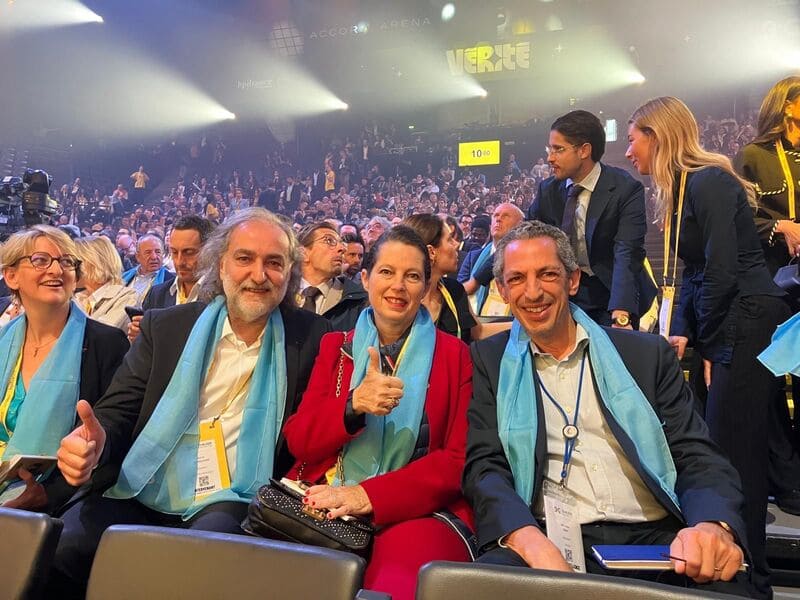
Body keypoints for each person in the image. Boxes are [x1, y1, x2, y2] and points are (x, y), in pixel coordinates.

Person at [463, 221, 756, 598]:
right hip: (547, 536)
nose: (533, 292)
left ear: (572, 280)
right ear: (503, 290)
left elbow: (696, 455)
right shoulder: (490, 360)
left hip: (657, 541)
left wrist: (711, 526)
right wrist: (526, 538)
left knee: (725, 583)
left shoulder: (645, 355)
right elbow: (485, 466)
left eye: (547, 274)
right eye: (517, 279)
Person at [49, 208, 330, 596]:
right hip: (143, 482)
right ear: (220, 264)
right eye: (245, 258)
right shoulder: (167, 326)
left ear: (290, 272)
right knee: (64, 546)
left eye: (274, 263)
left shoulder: (312, 337)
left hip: (233, 494)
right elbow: (119, 410)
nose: (259, 275)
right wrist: (96, 442)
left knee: (196, 563)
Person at [627, 96, 791, 597]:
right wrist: (686, 332)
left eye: (633, 140)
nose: (629, 152)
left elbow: (721, 270)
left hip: (745, 320)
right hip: (729, 322)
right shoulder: (684, 189)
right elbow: (697, 273)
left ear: (658, 135)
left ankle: (752, 580)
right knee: (728, 448)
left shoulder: (710, 182)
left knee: (735, 455)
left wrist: (710, 345)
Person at [282, 226, 474, 600]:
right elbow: (300, 441)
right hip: (328, 497)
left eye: (412, 276)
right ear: (366, 279)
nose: (398, 286)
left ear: (426, 286)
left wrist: (367, 495)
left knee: (396, 584)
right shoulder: (336, 347)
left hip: (420, 509)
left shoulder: (455, 356)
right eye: (387, 272)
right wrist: (352, 406)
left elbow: (457, 460)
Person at [0, 225, 128, 514]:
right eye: (40, 260)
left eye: (66, 261)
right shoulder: (3, 340)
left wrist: (46, 495)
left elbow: (116, 436)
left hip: (62, 500)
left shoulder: (106, 344)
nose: (57, 270)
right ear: (11, 276)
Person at [734, 75, 800, 515]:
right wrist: (780, 225)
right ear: (788, 106)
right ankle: (788, 479)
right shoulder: (752, 157)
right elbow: (740, 219)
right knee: (773, 382)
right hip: (774, 283)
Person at [529, 110, 656, 328]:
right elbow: (525, 237)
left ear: (584, 150)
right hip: (563, 291)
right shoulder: (547, 190)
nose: (550, 158)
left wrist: (621, 311)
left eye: (558, 149)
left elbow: (627, 251)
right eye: (550, 149)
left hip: (611, 291)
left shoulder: (625, 188)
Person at [403, 214, 508, 343]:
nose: (457, 244)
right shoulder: (401, 296)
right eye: (449, 240)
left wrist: (522, 325)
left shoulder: (454, 291)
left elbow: (478, 332)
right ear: (431, 252)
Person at [127, 216, 215, 343]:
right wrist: (138, 339)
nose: (179, 262)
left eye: (188, 252)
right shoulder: (156, 294)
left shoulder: (221, 295)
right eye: (174, 252)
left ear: (209, 251)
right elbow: (142, 348)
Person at [297, 221, 367, 331]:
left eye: (341, 243)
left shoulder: (358, 302)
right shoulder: (280, 295)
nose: (342, 248)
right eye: (329, 241)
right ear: (303, 253)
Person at [461, 203, 524, 316]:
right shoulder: (473, 257)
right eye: (496, 215)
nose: (498, 219)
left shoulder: (527, 259)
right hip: (475, 321)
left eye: (506, 216)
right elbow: (461, 292)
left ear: (520, 225)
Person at [73, 236, 138, 330]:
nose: (69, 268)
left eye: (74, 263)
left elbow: (100, 334)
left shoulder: (127, 297)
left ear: (94, 264)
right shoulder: (78, 298)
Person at [121, 234, 174, 306]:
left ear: (163, 254)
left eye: (158, 252)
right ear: (138, 257)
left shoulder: (171, 281)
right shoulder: (124, 277)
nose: (154, 257)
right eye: (148, 252)